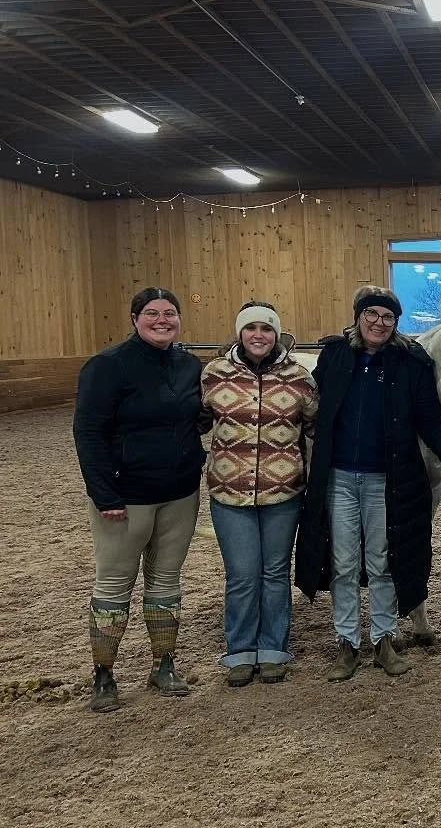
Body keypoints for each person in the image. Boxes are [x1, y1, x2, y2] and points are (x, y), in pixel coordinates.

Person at [294, 285, 441, 682]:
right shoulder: (335, 356)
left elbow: (429, 418)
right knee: (344, 563)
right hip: (339, 478)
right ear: (358, 316)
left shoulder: (408, 362)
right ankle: (347, 642)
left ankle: (383, 639)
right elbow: (308, 406)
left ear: (396, 322)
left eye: (387, 317)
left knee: (381, 561)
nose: (379, 323)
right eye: (372, 314)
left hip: (385, 480)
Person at [73, 286, 206, 713]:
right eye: (152, 313)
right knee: (114, 582)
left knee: (166, 580)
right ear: (135, 319)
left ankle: (163, 664)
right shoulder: (108, 366)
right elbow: (88, 432)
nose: (161, 320)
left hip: (180, 493)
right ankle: (104, 674)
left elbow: (196, 417)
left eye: (169, 313)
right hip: (125, 496)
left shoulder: (189, 365)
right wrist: (103, 492)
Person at [201, 301, 318, 686]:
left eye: (266, 329)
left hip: (283, 494)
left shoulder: (299, 378)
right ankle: (239, 650)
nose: (258, 335)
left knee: (275, 572)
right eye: (251, 328)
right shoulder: (214, 375)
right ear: (240, 333)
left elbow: (315, 427)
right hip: (229, 494)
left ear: (276, 334)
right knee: (242, 574)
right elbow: (194, 422)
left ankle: (272, 649)